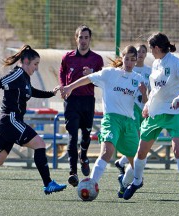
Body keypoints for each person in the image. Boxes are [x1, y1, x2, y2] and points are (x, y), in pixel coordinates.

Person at [0, 45, 67, 199]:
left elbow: (32, 91)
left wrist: (51, 93)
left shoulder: (25, 78)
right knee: (40, 144)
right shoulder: (17, 74)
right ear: (26, 61)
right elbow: (1, 81)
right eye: (35, 64)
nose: (36, 68)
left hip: (7, 121)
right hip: (10, 119)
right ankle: (48, 183)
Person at [60, 45, 146, 197]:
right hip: (111, 119)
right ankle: (90, 183)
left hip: (129, 123)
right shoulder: (110, 73)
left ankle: (125, 183)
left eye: (133, 60)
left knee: (137, 162)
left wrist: (145, 94)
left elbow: (145, 101)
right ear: (122, 58)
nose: (130, 63)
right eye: (127, 59)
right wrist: (70, 87)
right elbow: (88, 79)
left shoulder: (138, 79)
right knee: (107, 151)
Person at [122, 32, 179, 204]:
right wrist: (148, 105)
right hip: (155, 112)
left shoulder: (175, 63)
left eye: (150, 48)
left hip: (175, 112)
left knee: (178, 150)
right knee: (141, 151)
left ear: (156, 48)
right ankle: (137, 181)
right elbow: (155, 90)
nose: (149, 51)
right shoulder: (155, 63)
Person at [59, 25, 104, 187]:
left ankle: (83, 155)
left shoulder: (97, 59)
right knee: (72, 137)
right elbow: (62, 72)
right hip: (72, 102)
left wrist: (91, 75)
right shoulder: (67, 57)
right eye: (81, 37)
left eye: (86, 38)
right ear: (76, 38)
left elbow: (101, 81)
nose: (83, 41)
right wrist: (64, 87)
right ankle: (73, 173)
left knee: (86, 135)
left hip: (87, 101)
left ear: (89, 39)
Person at [116, 44, 150, 198]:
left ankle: (126, 179)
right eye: (139, 52)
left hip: (145, 111)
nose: (141, 54)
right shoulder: (125, 72)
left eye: (144, 52)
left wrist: (146, 97)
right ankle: (133, 178)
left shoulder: (148, 73)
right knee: (138, 150)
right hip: (130, 113)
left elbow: (147, 97)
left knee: (140, 151)